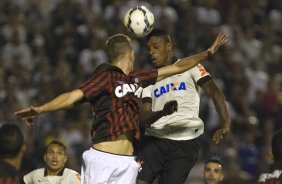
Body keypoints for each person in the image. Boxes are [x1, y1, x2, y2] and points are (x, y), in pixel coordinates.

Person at [14, 33, 227, 184]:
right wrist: (42, 109)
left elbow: (179, 66)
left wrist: (207, 53)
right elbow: (73, 96)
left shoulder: (138, 79)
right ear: (129, 56)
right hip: (102, 159)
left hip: (128, 162)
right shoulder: (105, 77)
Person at [136, 29, 231, 184]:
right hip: (156, 140)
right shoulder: (149, 78)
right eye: (148, 49)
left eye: (156, 47)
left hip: (184, 143)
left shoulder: (191, 67)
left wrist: (225, 123)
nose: (151, 52)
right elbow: (143, 117)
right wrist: (162, 112)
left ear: (169, 46)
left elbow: (215, 92)